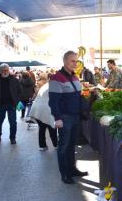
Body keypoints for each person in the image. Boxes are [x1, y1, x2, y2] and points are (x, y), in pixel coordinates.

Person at [49, 51, 88, 184]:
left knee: (72, 145)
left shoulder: (75, 77)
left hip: (75, 116)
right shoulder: (56, 78)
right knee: (63, 146)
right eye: (72, 61)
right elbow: (53, 101)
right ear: (65, 61)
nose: (75, 63)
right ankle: (64, 174)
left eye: (76, 61)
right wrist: (57, 118)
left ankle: (72, 169)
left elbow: (77, 94)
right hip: (65, 117)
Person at [0, 63, 22, 144]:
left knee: (13, 122)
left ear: (9, 70)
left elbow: (19, 91)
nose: (5, 72)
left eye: (6, 70)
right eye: (3, 70)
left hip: (12, 105)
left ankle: (12, 138)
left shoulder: (14, 80)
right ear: (0, 71)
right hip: (0, 105)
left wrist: (17, 100)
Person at [29, 76, 58, 151]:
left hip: (38, 109)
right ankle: (56, 145)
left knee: (42, 128)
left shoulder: (46, 85)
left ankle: (42, 146)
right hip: (46, 109)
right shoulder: (53, 87)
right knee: (52, 128)